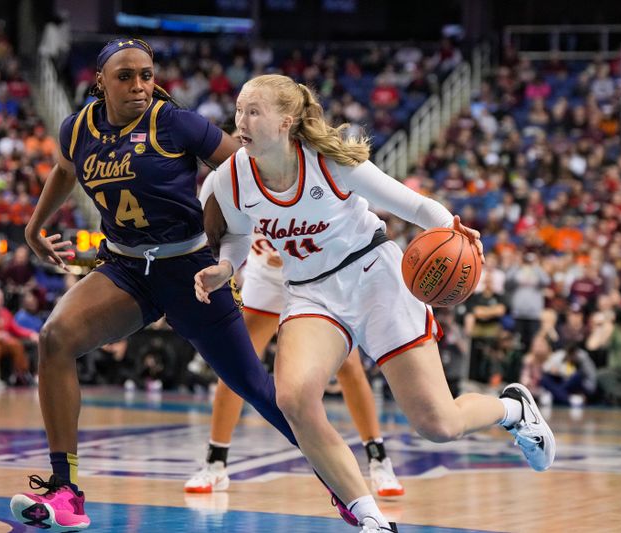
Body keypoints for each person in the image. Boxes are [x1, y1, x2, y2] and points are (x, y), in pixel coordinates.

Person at [196, 74, 556, 532]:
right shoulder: (229, 179)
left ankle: (513, 411)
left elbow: (420, 208)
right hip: (311, 291)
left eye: (253, 112)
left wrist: (455, 232)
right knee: (292, 397)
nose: (240, 122)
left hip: (375, 278)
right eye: (239, 110)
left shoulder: (329, 163)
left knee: (438, 424)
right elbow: (240, 235)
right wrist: (226, 268)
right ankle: (371, 519)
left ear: (286, 122)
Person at [10, 38, 310, 532]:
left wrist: (264, 231)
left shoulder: (175, 122)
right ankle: (66, 491)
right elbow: (65, 169)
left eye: (147, 75)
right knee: (54, 339)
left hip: (188, 269)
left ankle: (345, 487)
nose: (139, 85)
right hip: (126, 269)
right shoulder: (78, 128)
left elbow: (245, 169)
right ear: (100, 82)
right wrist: (34, 225)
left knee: (254, 387)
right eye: (126, 76)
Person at [185, 172, 404, 497]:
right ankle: (216, 462)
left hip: (315, 273)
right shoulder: (227, 177)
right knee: (235, 365)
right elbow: (212, 233)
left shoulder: (302, 166)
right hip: (267, 276)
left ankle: (378, 459)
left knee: (349, 366)